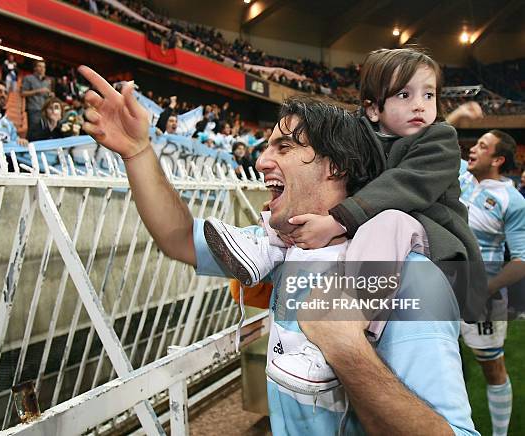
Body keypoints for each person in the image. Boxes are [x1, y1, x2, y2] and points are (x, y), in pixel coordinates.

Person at [77, 65, 478, 435]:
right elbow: (178, 237)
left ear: (335, 165)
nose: (262, 159)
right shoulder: (285, 248)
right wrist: (138, 152)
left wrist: (346, 348)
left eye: (283, 148)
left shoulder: (411, 278)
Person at [201, 47, 487, 393]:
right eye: (404, 94)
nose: (419, 104)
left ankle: (345, 335)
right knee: (301, 209)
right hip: (383, 226)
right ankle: (266, 250)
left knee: (389, 222)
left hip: (431, 233)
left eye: (429, 95)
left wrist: (337, 222)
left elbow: (404, 185)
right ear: (371, 107)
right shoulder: (367, 132)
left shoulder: (439, 138)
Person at [459, 130, 525, 436]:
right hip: (440, 287)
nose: (473, 149)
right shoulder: (462, 176)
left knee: (492, 367)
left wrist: (484, 290)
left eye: (482, 146)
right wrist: (458, 117)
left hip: (482, 296)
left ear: (497, 160)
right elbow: (431, 137)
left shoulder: (511, 199)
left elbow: (521, 261)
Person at [21, 60, 52, 130]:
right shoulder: (28, 78)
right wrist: (38, 91)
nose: (42, 69)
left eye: (44, 67)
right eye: (40, 66)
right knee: (34, 132)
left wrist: (50, 95)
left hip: (44, 110)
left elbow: (47, 95)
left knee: (43, 132)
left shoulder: (47, 81)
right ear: (35, 68)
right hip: (33, 109)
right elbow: (23, 93)